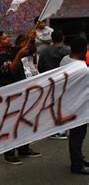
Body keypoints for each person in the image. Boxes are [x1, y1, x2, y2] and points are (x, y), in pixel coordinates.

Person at [0, 30, 41, 165]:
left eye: (7, 37)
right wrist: (18, 56)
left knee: (23, 119)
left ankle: (24, 148)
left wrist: (32, 40)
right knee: (9, 123)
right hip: (8, 96)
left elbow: (31, 50)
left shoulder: (13, 50)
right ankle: (9, 153)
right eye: (5, 38)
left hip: (21, 91)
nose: (8, 39)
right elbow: (11, 70)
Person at [59, 36, 89, 175]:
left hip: (68, 104)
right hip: (78, 107)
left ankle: (79, 159)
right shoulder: (83, 69)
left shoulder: (64, 60)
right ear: (84, 50)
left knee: (75, 135)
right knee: (77, 136)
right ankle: (77, 165)